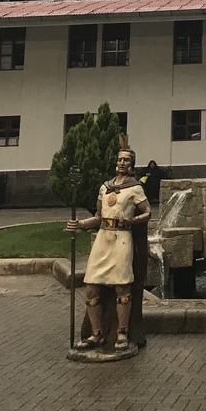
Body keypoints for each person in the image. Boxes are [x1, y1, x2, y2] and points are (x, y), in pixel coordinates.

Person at [67, 144, 151, 351]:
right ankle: (96, 333)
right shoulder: (104, 187)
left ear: (132, 164)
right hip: (103, 238)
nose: (122, 163)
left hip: (122, 238)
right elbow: (98, 216)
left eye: (126, 160)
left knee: (122, 286)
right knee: (91, 286)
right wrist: (81, 224)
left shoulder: (135, 188)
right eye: (119, 159)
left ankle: (122, 332)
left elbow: (148, 212)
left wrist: (132, 220)